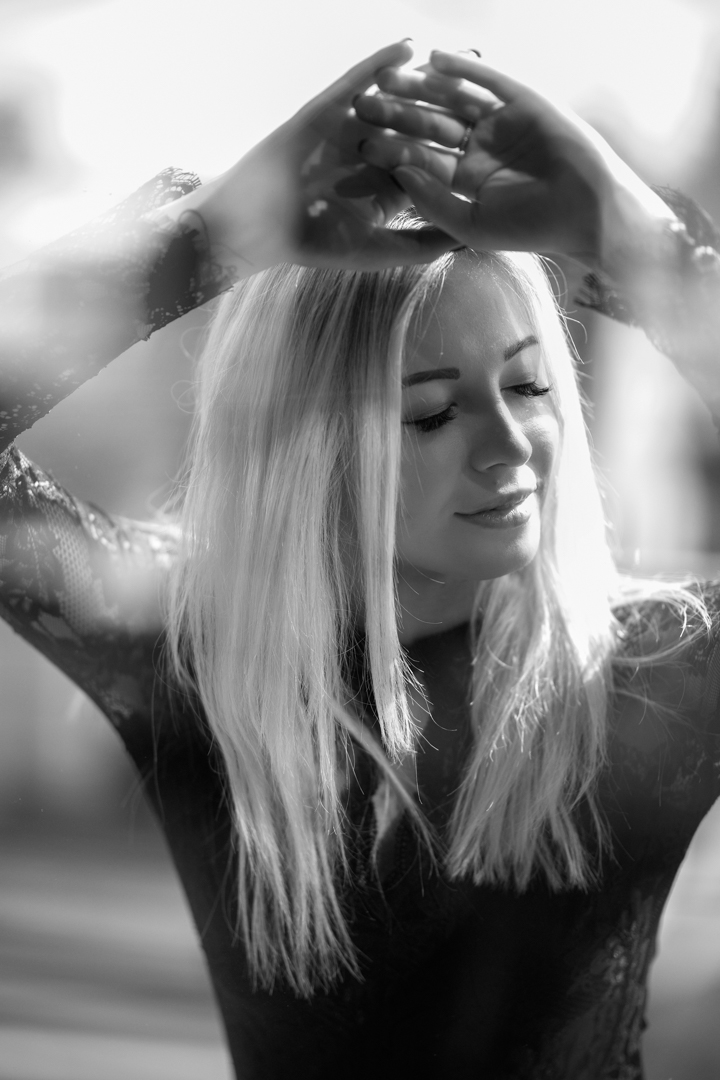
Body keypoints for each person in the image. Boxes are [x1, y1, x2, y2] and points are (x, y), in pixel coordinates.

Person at [2, 40, 720, 1080]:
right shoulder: (193, 653)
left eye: (528, 387)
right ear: (310, 448)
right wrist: (206, 237)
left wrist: (641, 242)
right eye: (430, 413)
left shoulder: (653, 673)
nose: (510, 446)